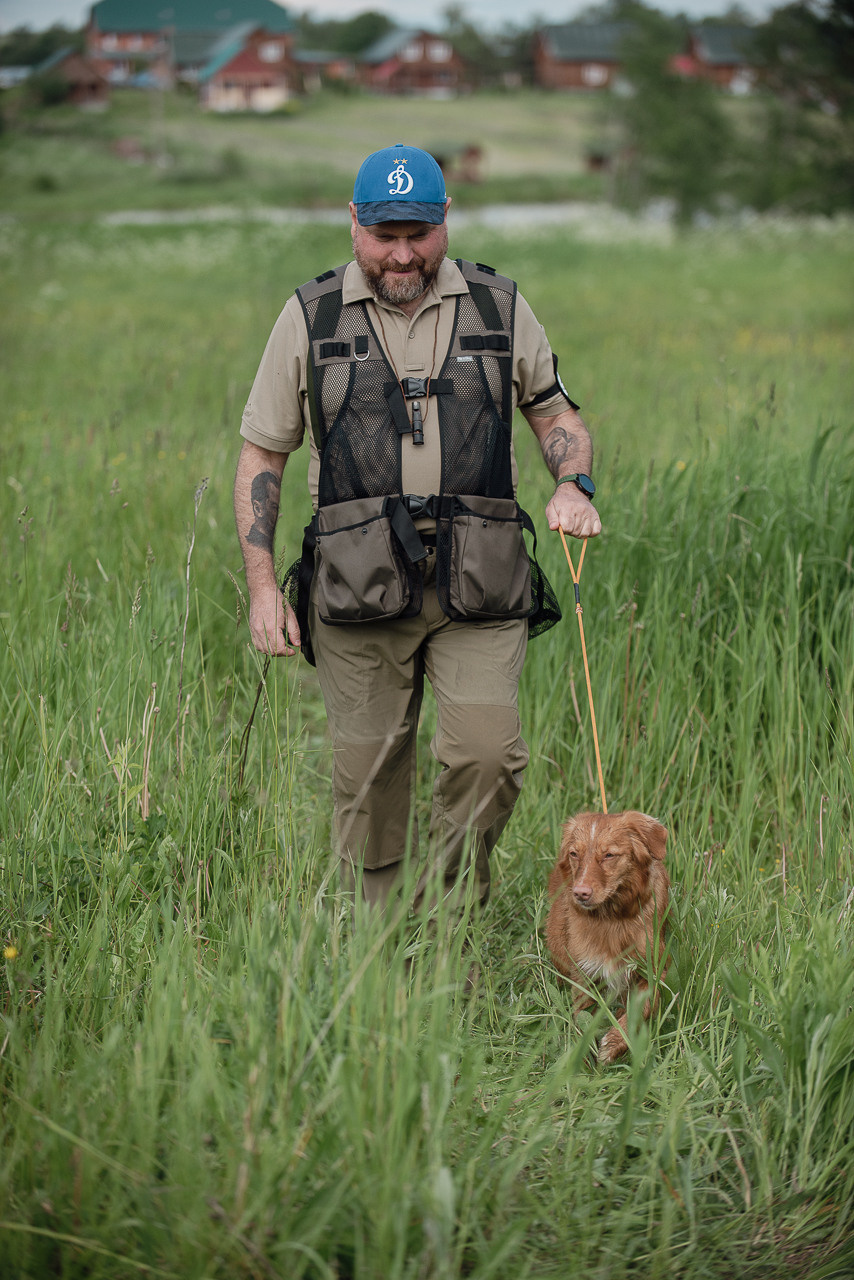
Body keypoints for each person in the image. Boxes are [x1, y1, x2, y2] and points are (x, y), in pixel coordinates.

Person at [234, 143, 601, 912]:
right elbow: (263, 455)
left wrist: (572, 481)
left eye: (418, 234)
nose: (402, 254)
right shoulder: (311, 316)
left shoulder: (499, 306)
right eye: (383, 234)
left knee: (487, 755)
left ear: (445, 221)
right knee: (368, 775)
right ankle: (383, 946)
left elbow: (555, 413)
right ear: (354, 223)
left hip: (481, 580)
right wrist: (264, 590)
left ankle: (447, 916)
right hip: (356, 583)